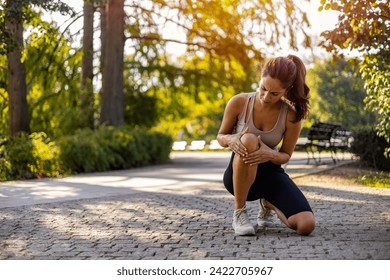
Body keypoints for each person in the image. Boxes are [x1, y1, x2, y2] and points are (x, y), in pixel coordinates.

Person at [217, 54, 315, 236]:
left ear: (286, 90)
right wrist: (231, 139)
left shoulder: (291, 116)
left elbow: (285, 155)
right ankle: (239, 213)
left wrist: (269, 154)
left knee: (306, 225)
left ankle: (269, 202)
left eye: (275, 93)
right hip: (238, 178)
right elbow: (221, 136)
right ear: (260, 78)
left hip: (271, 176)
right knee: (249, 139)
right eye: (263, 88)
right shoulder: (239, 102)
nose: (266, 96)